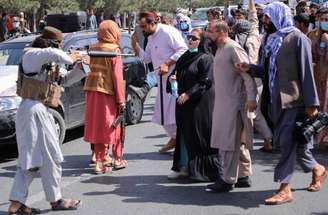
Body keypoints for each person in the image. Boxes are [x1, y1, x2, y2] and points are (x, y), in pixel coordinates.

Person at [236, 2, 327, 205]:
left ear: (278, 16)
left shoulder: (298, 38)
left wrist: (312, 103)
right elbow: (266, 70)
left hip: (294, 101)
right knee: (300, 146)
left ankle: (284, 189)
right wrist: (249, 68)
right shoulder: (270, 40)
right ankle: (318, 169)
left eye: (268, 17)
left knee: (286, 144)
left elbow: (306, 72)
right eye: (264, 17)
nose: (264, 20)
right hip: (274, 101)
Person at [8, 26, 83, 214]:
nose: (60, 48)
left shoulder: (48, 62)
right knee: (30, 160)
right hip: (31, 110)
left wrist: (81, 67)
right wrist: (70, 56)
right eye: (58, 44)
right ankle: (17, 204)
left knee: (52, 158)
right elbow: (53, 53)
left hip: (42, 111)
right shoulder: (32, 55)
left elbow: (64, 81)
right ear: (50, 43)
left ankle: (54, 199)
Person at [205, 21, 257, 192]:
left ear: (221, 32)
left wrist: (251, 98)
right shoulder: (220, 48)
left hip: (234, 103)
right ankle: (243, 175)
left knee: (228, 142)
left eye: (210, 31)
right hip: (224, 102)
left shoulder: (233, 48)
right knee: (235, 141)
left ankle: (227, 180)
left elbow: (248, 75)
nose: (207, 34)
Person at [167, 28, 220, 181]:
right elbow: (175, 73)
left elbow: (206, 81)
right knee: (184, 134)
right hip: (184, 104)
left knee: (199, 136)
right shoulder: (184, 56)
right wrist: (172, 80)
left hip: (200, 105)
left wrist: (189, 94)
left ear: (201, 41)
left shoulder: (206, 58)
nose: (190, 40)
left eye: (194, 38)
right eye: (189, 37)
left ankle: (202, 170)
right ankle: (183, 166)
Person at [131, 12, 188, 154]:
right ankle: (175, 139)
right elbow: (148, 58)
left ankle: (181, 143)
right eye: (140, 27)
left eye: (144, 26)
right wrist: (135, 46)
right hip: (161, 82)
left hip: (173, 81)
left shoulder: (168, 31)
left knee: (172, 114)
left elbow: (183, 50)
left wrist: (167, 63)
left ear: (153, 23)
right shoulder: (151, 37)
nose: (142, 30)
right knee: (162, 115)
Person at [84, 20, 126, 174]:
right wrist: (121, 100)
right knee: (113, 126)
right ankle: (114, 159)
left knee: (97, 126)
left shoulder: (93, 48)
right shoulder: (114, 50)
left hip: (91, 91)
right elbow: (117, 76)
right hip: (106, 92)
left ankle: (100, 160)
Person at [308, 8, 328, 146]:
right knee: (320, 106)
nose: (324, 22)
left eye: (327, 20)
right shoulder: (315, 35)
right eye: (322, 19)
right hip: (318, 76)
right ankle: (320, 135)